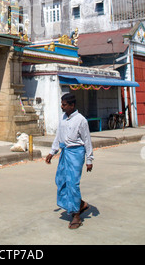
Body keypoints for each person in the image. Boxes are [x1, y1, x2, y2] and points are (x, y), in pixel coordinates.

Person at [45, 93, 93, 229]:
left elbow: (87, 141)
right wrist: (52, 152)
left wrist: (89, 159)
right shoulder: (63, 118)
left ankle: (76, 215)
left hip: (76, 153)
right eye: (61, 104)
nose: (62, 107)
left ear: (72, 105)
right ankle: (80, 203)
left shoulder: (81, 120)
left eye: (64, 104)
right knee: (61, 181)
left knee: (73, 183)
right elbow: (58, 136)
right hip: (64, 152)